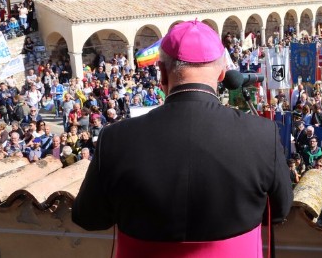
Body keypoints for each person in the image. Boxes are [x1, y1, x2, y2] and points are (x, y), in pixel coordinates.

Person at [73, 19, 293, 256]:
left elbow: (89, 217)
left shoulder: (115, 138)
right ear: (222, 73)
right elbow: (279, 212)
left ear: (161, 72)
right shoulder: (263, 134)